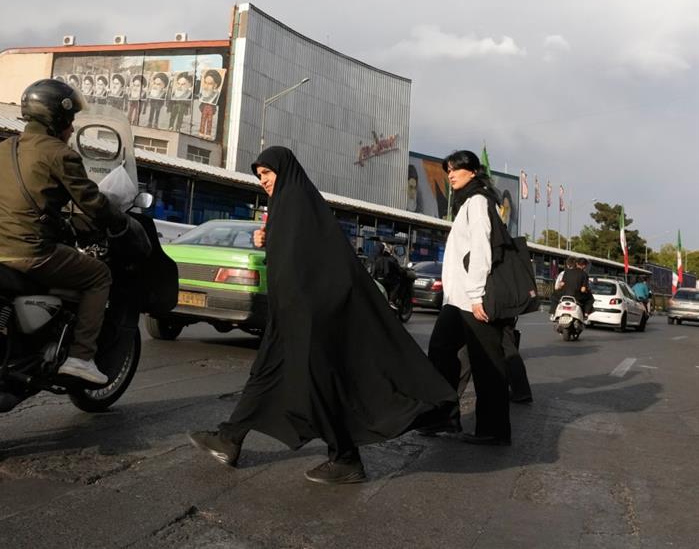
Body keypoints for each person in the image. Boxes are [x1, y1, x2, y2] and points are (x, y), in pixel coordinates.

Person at [188, 146, 457, 484]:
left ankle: (345, 458)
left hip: (307, 318)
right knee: (267, 377)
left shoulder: (297, 203)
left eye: (267, 174)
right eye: (259, 177)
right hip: (291, 317)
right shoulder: (289, 204)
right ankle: (230, 439)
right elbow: (292, 256)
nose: (263, 182)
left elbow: (313, 262)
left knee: (319, 386)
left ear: (283, 170)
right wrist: (268, 239)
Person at [0, 79, 146, 384]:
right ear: (59, 119)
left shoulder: (3, 148)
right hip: (27, 253)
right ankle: (81, 358)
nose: (73, 129)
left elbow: (29, 199)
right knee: (98, 276)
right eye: (71, 121)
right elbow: (91, 201)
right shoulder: (59, 154)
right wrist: (120, 223)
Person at [420, 150, 514, 446]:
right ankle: (444, 418)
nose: (450, 175)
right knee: (440, 352)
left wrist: (476, 296)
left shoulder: (478, 201)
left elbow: (482, 249)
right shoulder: (468, 202)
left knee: (487, 365)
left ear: (473, 171)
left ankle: (495, 430)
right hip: (456, 301)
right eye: (447, 170)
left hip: (473, 300)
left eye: (456, 169)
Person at [197, 70, 222, 139]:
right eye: (205, 82)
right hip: (205, 107)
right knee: (203, 119)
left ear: (215, 85)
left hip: (211, 108)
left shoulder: (216, 94)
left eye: (210, 83)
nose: (207, 86)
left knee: (209, 121)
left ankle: (208, 134)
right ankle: (201, 132)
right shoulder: (203, 92)